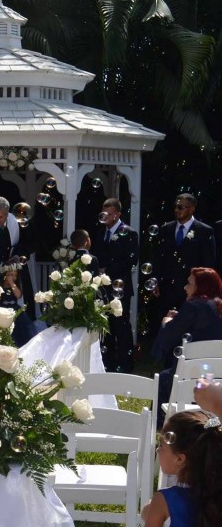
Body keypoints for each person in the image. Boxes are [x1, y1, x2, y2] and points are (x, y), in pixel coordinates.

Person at [151, 268, 222, 427]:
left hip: (190, 379)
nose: (185, 287)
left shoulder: (193, 307)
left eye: (189, 283)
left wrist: (167, 322)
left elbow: (170, 335)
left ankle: (160, 428)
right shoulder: (218, 307)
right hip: (217, 380)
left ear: (201, 287)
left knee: (162, 379)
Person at [140, 410, 222, 527]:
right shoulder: (216, 496)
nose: (157, 450)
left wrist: (149, 512)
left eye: (162, 446)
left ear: (179, 459)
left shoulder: (163, 501)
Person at [91, 198, 138, 373]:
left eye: (109, 214)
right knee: (106, 326)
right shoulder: (100, 233)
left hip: (121, 287)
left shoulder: (129, 233)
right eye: (103, 214)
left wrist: (108, 270)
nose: (105, 217)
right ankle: (107, 363)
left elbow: (131, 259)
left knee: (121, 325)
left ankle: (126, 365)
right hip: (104, 288)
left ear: (117, 214)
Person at [153, 194, 216, 323]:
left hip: (191, 288)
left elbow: (209, 262)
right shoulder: (166, 229)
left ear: (191, 209)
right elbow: (158, 257)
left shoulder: (204, 231)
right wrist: (155, 280)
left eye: (180, 207)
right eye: (175, 206)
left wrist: (202, 287)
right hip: (167, 287)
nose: (176, 210)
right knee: (166, 323)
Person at [0, 258, 36, 346]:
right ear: (4, 274)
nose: (13, 277)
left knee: (18, 333)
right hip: (3, 312)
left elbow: (18, 295)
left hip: (15, 313)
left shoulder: (14, 286)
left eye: (15, 275)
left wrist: (12, 283)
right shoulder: (0, 286)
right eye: (10, 275)